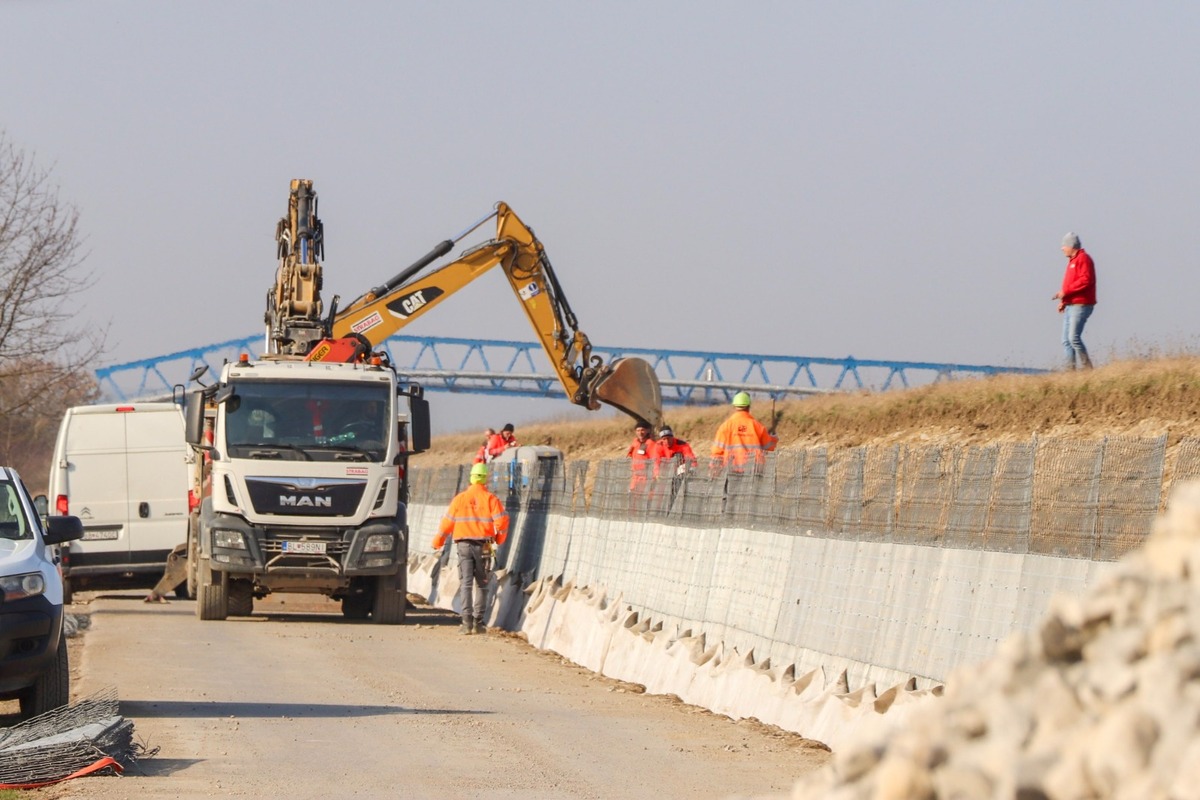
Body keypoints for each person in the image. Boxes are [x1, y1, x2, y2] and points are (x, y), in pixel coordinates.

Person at [432, 462, 509, 634]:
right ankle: (478, 623)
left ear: (471, 478)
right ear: (486, 479)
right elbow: (502, 522)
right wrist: (499, 538)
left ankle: (466, 623)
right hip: (486, 544)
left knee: (465, 583)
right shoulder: (491, 499)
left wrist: (438, 540)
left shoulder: (460, 499)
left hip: (464, 544)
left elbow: (447, 523)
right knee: (482, 583)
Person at [1052, 232, 1097, 370]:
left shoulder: (1083, 259)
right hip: (1071, 304)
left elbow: (1085, 280)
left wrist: (1065, 293)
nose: (1062, 248)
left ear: (1071, 246)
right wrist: (1064, 301)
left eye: (1064, 245)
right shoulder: (1073, 261)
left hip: (1081, 304)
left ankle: (1088, 368)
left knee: (1073, 338)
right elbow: (1072, 284)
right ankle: (1070, 371)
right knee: (1066, 341)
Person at [711, 392, 778, 473]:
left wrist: (714, 470)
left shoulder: (726, 426)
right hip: (754, 471)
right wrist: (773, 438)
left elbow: (717, 452)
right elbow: (769, 447)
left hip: (731, 470)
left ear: (735, 406)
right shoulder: (757, 426)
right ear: (749, 406)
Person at [626, 420, 660, 493]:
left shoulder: (651, 444)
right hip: (635, 478)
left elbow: (655, 460)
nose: (640, 433)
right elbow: (631, 456)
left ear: (648, 430)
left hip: (646, 478)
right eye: (638, 430)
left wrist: (656, 475)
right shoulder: (635, 443)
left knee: (646, 500)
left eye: (642, 430)